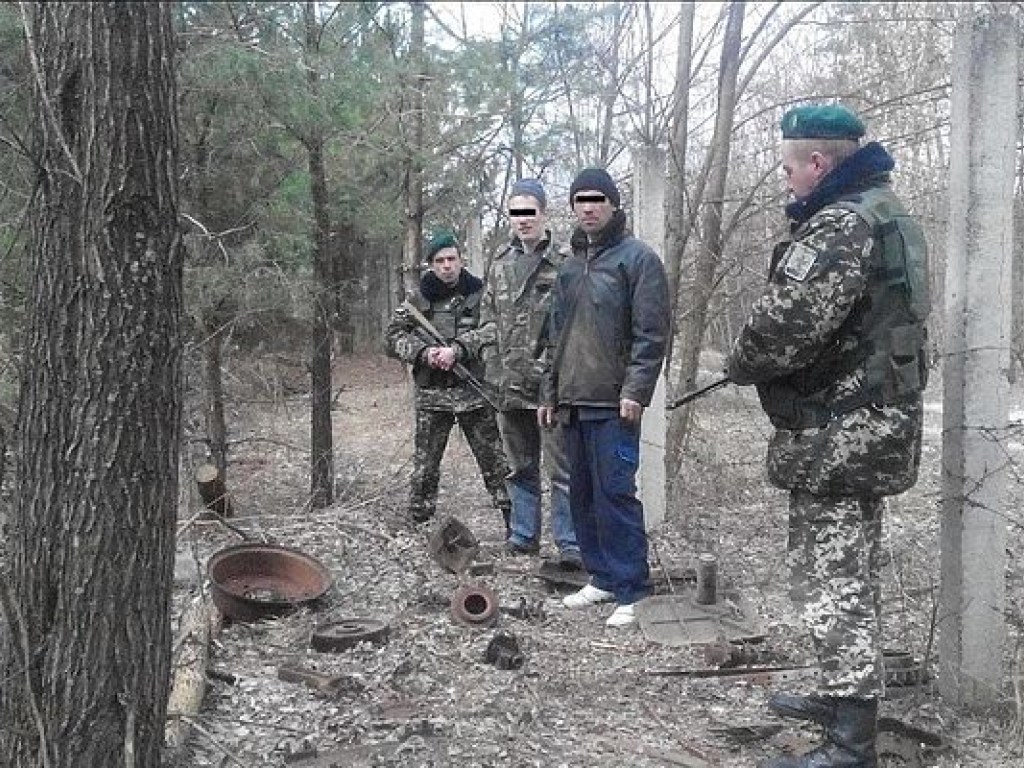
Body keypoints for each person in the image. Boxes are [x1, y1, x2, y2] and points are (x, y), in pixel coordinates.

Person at [724, 104, 930, 768]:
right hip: (873, 426)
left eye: (789, 167)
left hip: (840, 434)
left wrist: (740, 362)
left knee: (828, 579)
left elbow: (780, 331)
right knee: (853, 573)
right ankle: (846, 697)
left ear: (818, 163)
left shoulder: (842, 224)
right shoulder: (886, 212)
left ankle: (849, 745)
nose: (786, 181)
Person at [538, 168, 670, 628]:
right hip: (572, 402)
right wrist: (549, 392)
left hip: (615, 404)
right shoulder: (570, 268)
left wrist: (636, 390)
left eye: (597, 199)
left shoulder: (638, 260)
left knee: (616, 493)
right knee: (583, 495)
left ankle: (633, 588)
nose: (589, 208)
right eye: (580, 200)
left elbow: (651, 335)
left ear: (613, 204)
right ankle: (602, 577)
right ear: (572, 207)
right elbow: (555, 336)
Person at [460, 178, 581, 565]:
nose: (522, 220)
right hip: (507, 386)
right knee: (519, 468)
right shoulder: (501, 265)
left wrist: (556, 376)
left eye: (530, 211)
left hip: (552, 387)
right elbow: (490, 321)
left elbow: (573, 329)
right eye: (515, 212)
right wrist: (477, 351)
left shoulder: (566, 262)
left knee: (562, 471)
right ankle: (523, 537)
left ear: (543, 213)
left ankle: (570, 543)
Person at [385, 230, 512, 531]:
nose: (447, 266)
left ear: (461, 260)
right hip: (432, 396)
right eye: (440, 261)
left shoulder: (480, 294)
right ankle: (420, 523)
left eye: (452, 259)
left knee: (495, 462)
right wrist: (425, 354)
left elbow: (494, 329)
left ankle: (514, 524)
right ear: (431, 264)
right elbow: (391, 338)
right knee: (425, 468)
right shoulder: (416, 300)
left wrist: (459, 349)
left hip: (473, 391)